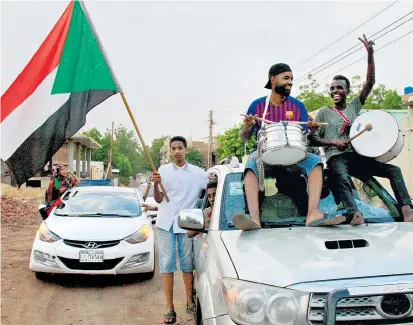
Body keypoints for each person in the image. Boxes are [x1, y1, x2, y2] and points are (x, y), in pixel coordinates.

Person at [309, 34, 413, 224]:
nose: (334, 91)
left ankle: (407, 210)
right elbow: (312, 140)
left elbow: (370, 82)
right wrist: (333, 142)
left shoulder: (354, 107)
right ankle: (354, 213)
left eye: (339, 88)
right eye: (331, 88)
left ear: (347, 91)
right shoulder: (323, 112)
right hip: (336, 157)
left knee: (394, 171)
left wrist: (370, 53)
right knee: (340, 173)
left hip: (357, 156)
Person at [236, 63, 345, 230]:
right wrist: (248, 127)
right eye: (286, 78)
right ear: (273, 80)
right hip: (265, 155)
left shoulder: (297, 106)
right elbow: (244, 138)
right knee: (251, 164)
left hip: (294, 156)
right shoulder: (257, 105)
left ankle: (313, 214)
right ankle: (255, 219)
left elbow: (305, 136)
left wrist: (312, 130)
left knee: (315, 161)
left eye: (292, 79)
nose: (290, 82)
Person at [151, 136, 210, 324]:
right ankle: (169, 308)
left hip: (187, 224)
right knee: (167, 265)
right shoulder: (162, 171)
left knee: (187, 264)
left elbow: (211, 189)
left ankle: (189, 302)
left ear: (186, 150)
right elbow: (159, 200)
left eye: (180, 148)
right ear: (170, 151)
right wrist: (155, 183)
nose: (177, 151)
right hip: (165, 223)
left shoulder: (198, 173)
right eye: (174, 148)